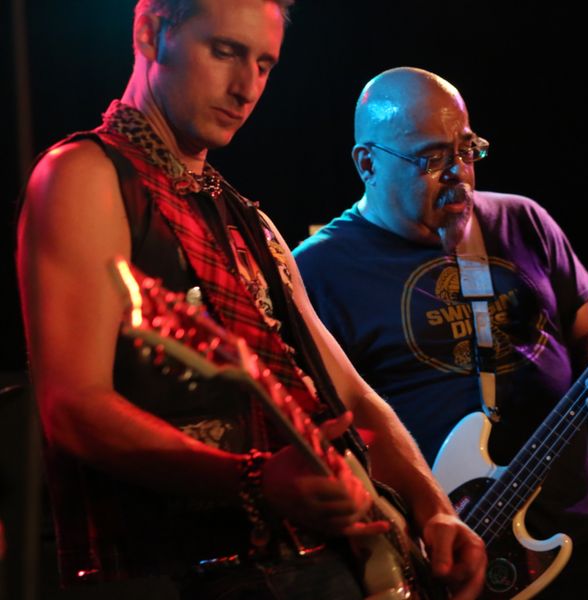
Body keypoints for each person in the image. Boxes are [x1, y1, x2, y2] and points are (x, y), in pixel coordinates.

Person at [16, 6, 485, 599]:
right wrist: (255, 480)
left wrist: (433, 507)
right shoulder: (84, 175)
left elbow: (350, 395)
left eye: (264, 65)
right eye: (225, 52)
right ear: (150, 34)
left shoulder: (250, 223)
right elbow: (73, 408)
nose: (247, 88)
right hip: (183, 576)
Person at [293, 67, 588, 599]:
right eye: (432, 159)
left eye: (467, 150)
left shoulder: (521, 220)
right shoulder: (316, 271)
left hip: (586, 513)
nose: (459, 172)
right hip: (457, 556)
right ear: (367, 163)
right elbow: (320, 434)